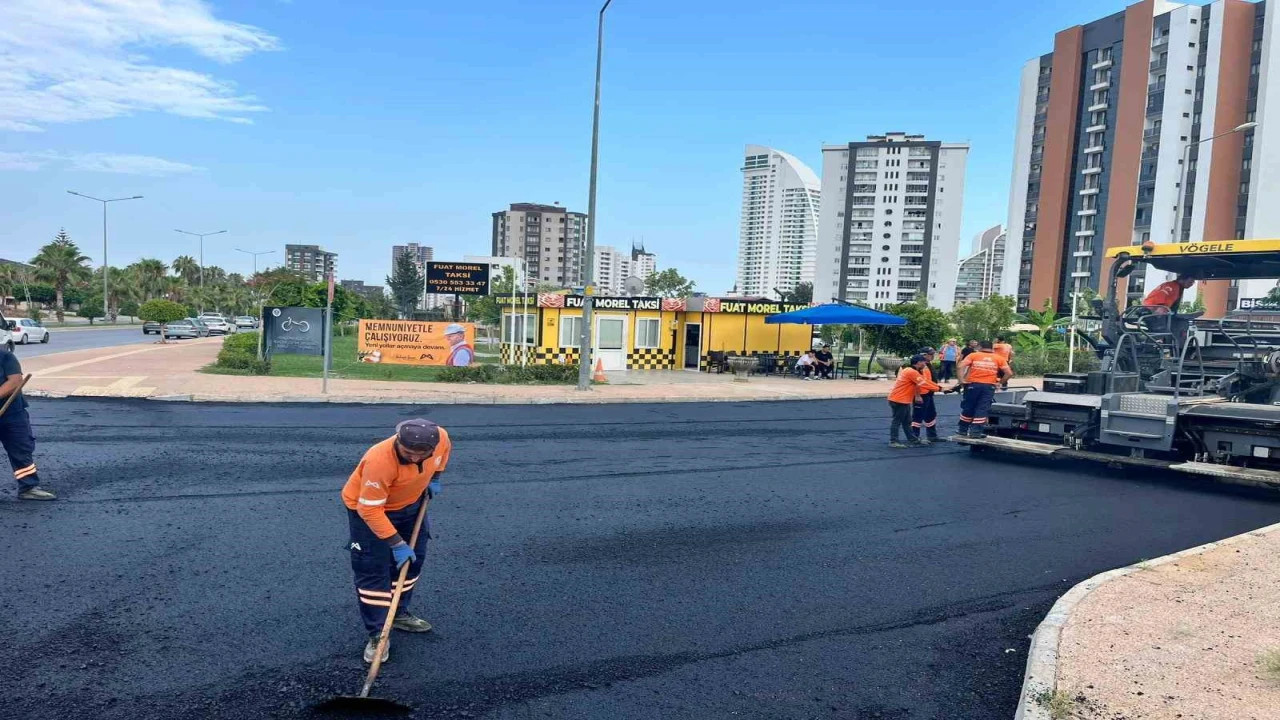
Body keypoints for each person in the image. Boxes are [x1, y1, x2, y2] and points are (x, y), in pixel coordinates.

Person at [342, 419, 451, 663]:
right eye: (407, 452)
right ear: (398, 441)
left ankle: (398, 613)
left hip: (411, 504)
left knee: (412, 563)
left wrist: (435, 478)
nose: (413, 458)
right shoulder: (379, 461)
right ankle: (378, 634)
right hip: (368, 511)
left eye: (420, 454)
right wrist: (397, 544)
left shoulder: (441, 437)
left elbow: (443, 455)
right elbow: (370, 510)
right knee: (373, 571)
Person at [0, 349, 55, 501]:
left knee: (21, 450)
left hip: (12, 414)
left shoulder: (5, 356)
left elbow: (15, 381)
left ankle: (28, 487)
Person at [957, 341, 1013, 438]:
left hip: (972, 385)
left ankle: (962, 430)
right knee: (982, 408)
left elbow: (960, 366)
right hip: (988, 386)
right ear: (991, 348)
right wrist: (999, 382)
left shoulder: (973, 355)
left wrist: (961, 380)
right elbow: (1009, 373)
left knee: (968, 406)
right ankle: (975, 432)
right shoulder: (998, 358)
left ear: (980, 347)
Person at [888, 355, 932, 448]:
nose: (925, 363)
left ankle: (912, 439)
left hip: (902, 399)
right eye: (923, 361)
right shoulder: (912, 372)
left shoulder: (909, 370)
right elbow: (924, 383)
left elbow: (920, 384)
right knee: (897, 420)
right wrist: (941, 388)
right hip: (899, 400)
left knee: (907, 421)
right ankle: (893, 441)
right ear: (918, 362)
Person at [911, 347, 943, 443]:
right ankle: (914, 437)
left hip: (928, 393)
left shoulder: (928, 365)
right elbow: (919, 382)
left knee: (931, 414)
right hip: (921, 394)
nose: (933, 356)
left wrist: (938, 388)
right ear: (924, 355)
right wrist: (917, 395)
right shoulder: (920, 367)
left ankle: (932, 436)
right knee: (918, 415)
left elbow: (929, 381)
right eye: (931, 354)